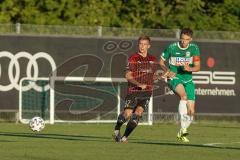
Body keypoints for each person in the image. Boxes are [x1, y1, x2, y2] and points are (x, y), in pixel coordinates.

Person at [113, 36, 158, 142]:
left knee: (136, 116)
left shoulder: (153, 60)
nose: (142, 46)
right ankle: (116, 130)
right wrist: (138, 84)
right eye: (140, 44)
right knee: (127, 115)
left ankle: (124, 137)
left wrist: (161, 76)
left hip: (147, 92)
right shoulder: (133, 58)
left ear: (149, 46)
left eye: (144, 44)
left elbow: (152, 76)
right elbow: (128, 76)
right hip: (134, 91)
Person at [159, 28, 200, 142]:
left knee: (191, 111)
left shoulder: (194, 48)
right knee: (184, 96)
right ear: (180, 38)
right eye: (182, 39)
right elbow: (161, 61)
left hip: (188, 80)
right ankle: (183, 128)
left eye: (186, 40)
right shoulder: (172, 47)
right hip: (174, 77)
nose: (183, 42)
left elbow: (197, 67)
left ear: (190, 39)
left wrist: (189, 68)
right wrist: (167, 70)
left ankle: (181, 133)